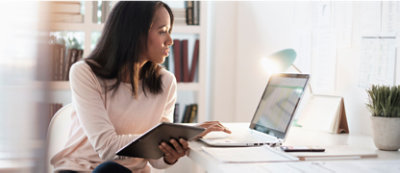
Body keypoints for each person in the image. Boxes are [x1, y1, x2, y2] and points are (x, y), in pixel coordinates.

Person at [50, 1, 231, 173]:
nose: (170, 40)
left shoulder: (166, 82)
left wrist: (169, 153)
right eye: (162, 31)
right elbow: (107, 149)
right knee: (109, 169)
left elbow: (156, 160)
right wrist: (166, 136)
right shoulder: (85, 72)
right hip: (79, 170)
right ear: (135, 33)